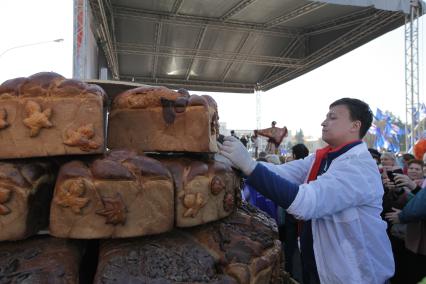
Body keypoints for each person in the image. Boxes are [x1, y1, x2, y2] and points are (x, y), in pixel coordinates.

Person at [219, 98, 394, 283]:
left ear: (355, 125)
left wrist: (248, 165)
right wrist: (241, 163)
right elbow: (282, 173)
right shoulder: (322, 158)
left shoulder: (358, 166)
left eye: (332, 117)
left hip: (355, 275)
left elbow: (306, 203)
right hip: (320, 268)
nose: (324, 122)